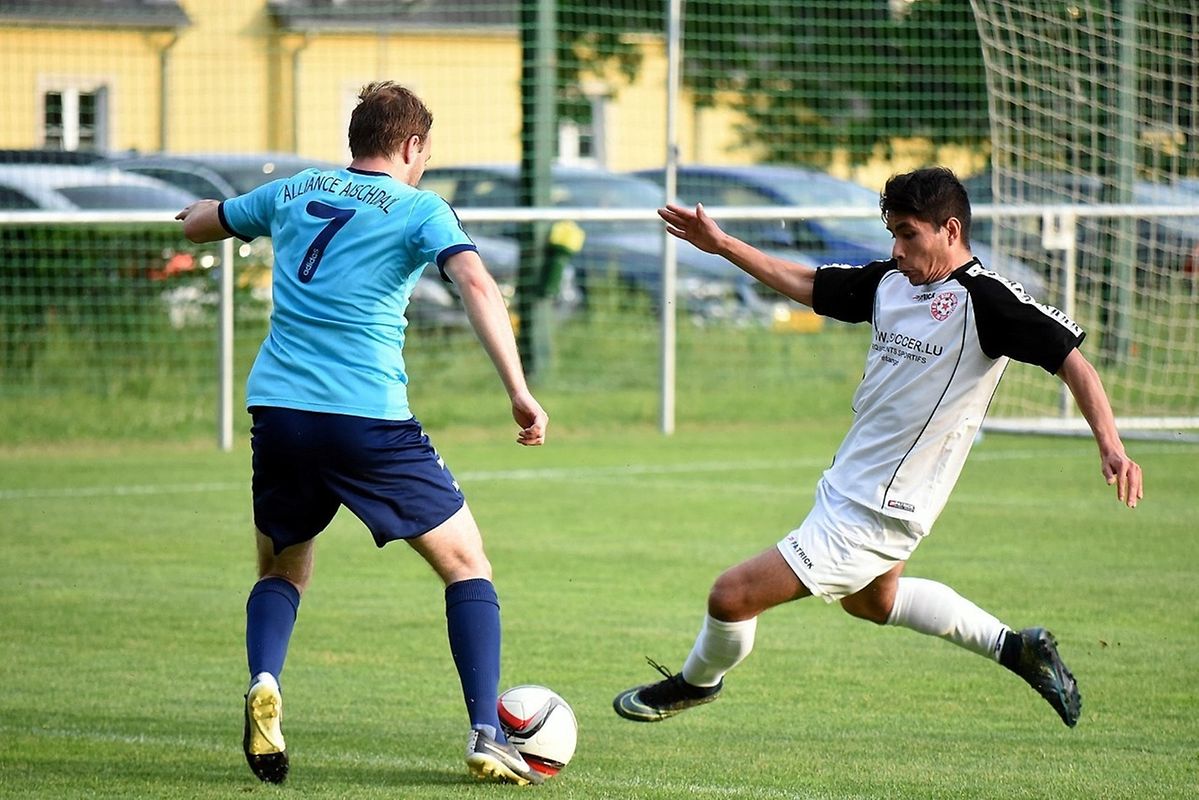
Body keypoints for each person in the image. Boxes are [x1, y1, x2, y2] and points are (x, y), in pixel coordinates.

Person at [613, 166, 1143, 730]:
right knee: (873, 603)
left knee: (730, 596)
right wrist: (722, 246)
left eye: (909, 234)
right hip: (849, 486)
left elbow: (1072, 360)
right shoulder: (892, 280)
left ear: (950, 230)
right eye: (892, 233)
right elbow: (805, 283)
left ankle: (696, 683)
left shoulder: (986, 301)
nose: (897, 248)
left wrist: (1110, 445)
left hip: (882, 509)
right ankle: (1018, 649)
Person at [176, 82, 548, 786]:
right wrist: (519, 390)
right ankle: (486, 731)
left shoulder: (292, 189)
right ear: (410, 146)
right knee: (466, 564)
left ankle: (265, 679)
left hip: (279, 413)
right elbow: (473, 280)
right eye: (426, 155)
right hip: (366, 419)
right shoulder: (418, 207)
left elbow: (201, 224)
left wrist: (197, 212)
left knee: (282, 567)